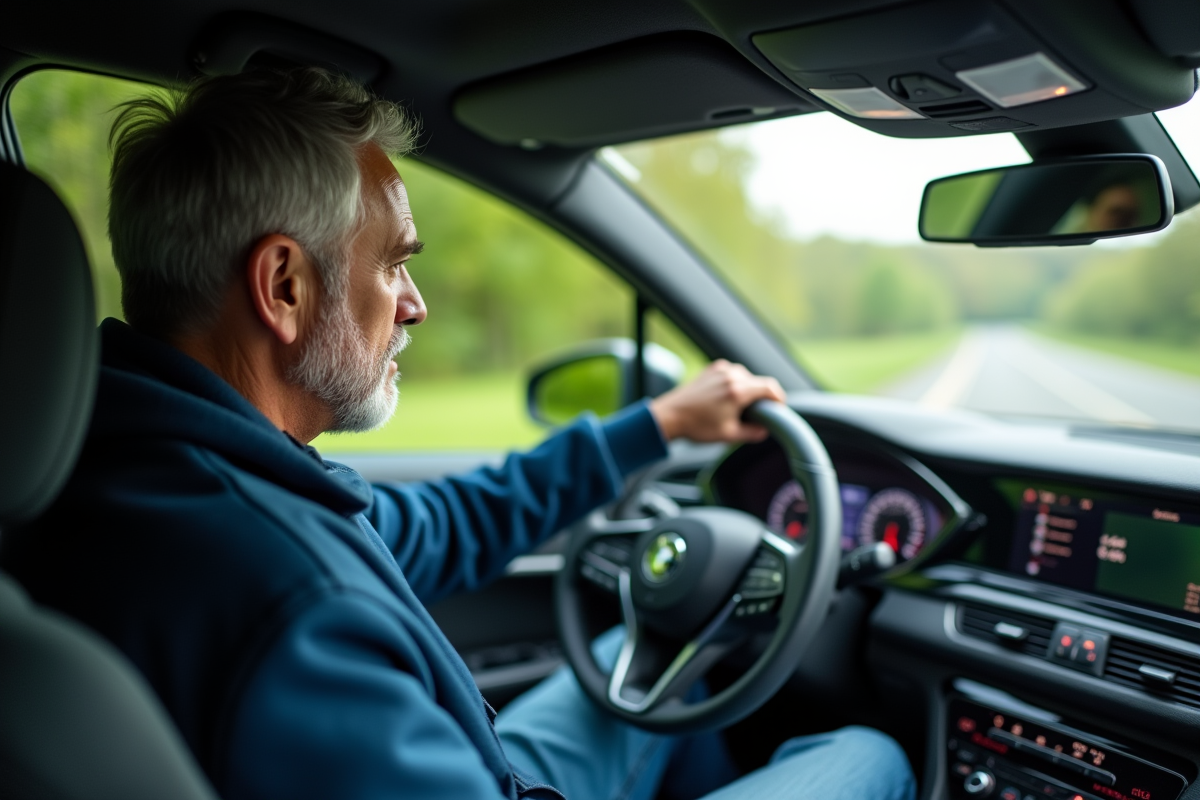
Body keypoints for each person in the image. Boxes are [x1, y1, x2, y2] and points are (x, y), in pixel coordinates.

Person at [0, 68, 915, 800]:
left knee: (639, 656)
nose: (416, 305)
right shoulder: (294, 606)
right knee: (869, 755)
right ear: (284, 287)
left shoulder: (128, 458)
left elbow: (433, 527)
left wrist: (658, 426)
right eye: (394, 263)